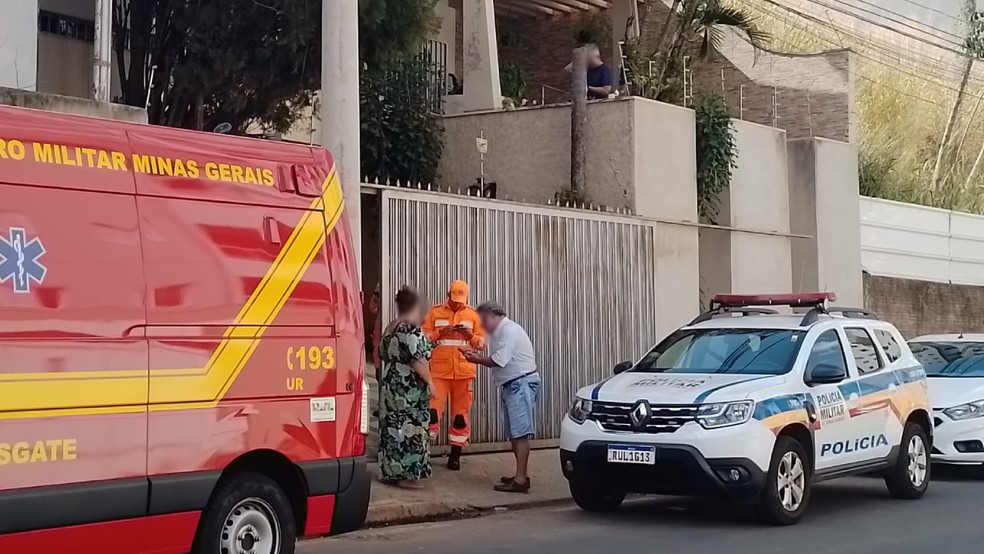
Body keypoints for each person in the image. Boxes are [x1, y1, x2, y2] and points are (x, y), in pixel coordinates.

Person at [462, 302, 539, 493]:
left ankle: (521, 479)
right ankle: (520, 475)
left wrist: (475, 359)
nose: (483, 325)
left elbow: (499, 360)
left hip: (520, 384)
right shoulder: (500, 332)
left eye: (483, 321)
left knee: (520, 433)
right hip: (513, 385)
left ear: (491, 315)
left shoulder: (509, 331)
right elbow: (491, 351)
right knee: (515, 432)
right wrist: (472, 345)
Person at [422, 280, 485, 470]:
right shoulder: (434, 312)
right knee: (431, 413)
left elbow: (482, 343)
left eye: (460, 300)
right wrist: (439, 332)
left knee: (460, 416)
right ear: (448, 294)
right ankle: (423, 455)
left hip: (464, 372)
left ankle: (455, 456)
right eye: (454, 298)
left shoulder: (473, 315)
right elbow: (422, 338)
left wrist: (469, 336)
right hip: (439, 372)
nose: (457, 303)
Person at [378, 286, 436, 489]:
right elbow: (417, 359)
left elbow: (382, 354)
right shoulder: (410, 328)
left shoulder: (391, 326)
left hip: (391, 384)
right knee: (408, 429)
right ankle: (407, 476)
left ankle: (391, 471)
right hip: (407, 387)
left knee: (392, 428)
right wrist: (430, 382)